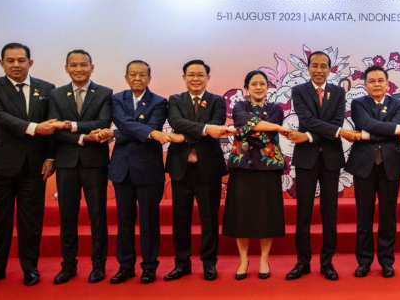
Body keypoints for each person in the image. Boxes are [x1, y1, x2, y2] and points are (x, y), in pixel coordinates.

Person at [0, 43, 57, 288]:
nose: (16, 65)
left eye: (21, 60)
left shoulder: (47, 89)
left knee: (32, 220)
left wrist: (50, 158)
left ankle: (30, 268)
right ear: (2, 63)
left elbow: (51, 128)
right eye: (10, 60)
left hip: (34, 167)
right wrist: (33, 128)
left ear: (31, 62)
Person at [102, 60, 180, 284]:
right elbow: (126, 123)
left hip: (149, 170)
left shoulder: (159, 102)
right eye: (133, 75)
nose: (137, 78)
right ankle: (125, 266)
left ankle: (149, 267)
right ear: (126, 78)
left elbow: (144, 127)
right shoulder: (116, 99)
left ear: (149, 78)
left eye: (142, 75)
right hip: (122, 170)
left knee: (149, 221)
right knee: (124, 220)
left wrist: (117, 134)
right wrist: (146, 133)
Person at [284, 51, 357, 281]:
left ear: (329, 68)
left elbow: (336, 121)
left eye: (323, 66)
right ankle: (302, 262)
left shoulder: (338, 92)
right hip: (306, 160)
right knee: (303, 213)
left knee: (330, 213)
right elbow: (306, 120)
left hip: (331, 160)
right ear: (308, 68)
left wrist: (309, 136)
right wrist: (334, 132)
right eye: (314, 65)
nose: (319, 69)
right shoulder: (299, 91)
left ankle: (327, 263)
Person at [164, 60, 233, 281]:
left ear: (208, 78)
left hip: (208, 168)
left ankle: (209, 263)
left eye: (200, 75)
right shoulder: (175, 100)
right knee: (180, 218)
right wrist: (204, 129)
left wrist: (184, 134)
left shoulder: (217, 101)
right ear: (184, 77)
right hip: (180, 168)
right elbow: (176, 121)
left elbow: (217, 125)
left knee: (209, 218)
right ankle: (182, 263)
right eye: (191, 75)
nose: (196, 79)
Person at [48, 49, 113, 284]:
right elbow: (54, 128)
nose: (78, 69)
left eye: (83, 65)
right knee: (67, 216)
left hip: (95, 163)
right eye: (73, 65)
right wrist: (83, 136)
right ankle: (68, 265)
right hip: (66, 163)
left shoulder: (105, 93)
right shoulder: (55, 94)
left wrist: (69, 125)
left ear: (92, 67)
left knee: (97, 215)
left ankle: (98, 266)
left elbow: (102, 123)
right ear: (66, 68)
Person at [346, 65, 400, 278]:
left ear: (387, 83)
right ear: (365, 84)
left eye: (380, 81)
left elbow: (386, 127)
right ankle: (364, 261)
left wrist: (367, 134)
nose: (377, 84)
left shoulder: (398, 104)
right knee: (363, 216)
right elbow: (365, 123)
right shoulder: (358, 103)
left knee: (388, 216)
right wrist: (394, 130)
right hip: (364, 166)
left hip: (390, 165)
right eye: (372, 81)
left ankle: (386, 261)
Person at [223, 70, 291, 280]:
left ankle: (264, 259)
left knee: (266, 214)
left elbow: (249, 127)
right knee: (241, 215)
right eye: (254, 84)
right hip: (242, 167)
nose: (258, 87)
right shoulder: (239, 106)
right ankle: (244, 260)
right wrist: (274, 127)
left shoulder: (276, 108)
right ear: (247, 88)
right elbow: (244, 123)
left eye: (262, 83)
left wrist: (250, 128)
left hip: (268, 167)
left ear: (268, 87)